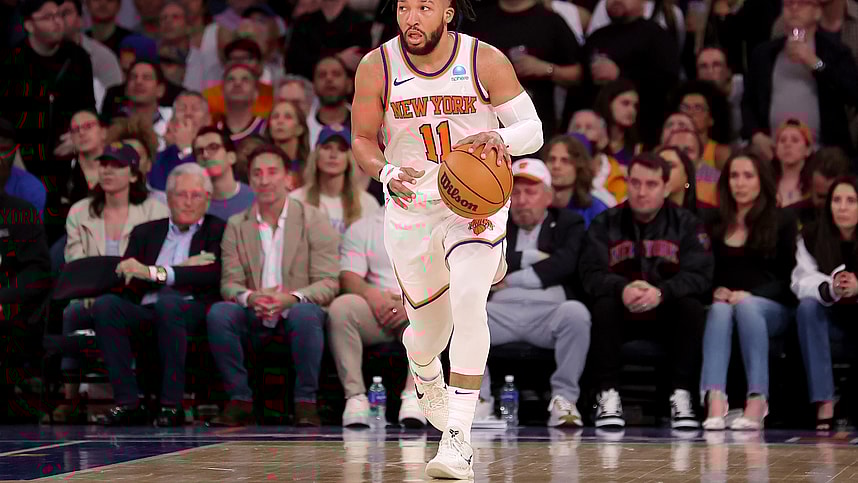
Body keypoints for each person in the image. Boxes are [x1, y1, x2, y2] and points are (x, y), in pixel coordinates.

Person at [352, 0, 543, 476]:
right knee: (426, 336)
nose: (412, 18)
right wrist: (385, 170)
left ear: (448, 13)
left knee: (470, 300)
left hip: (474, 204)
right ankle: (423, 368)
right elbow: (361, 139)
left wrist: (502, 139)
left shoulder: (484, 59)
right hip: (412, 207)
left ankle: (458, 439)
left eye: (424, 7)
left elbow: (533, 131)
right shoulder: (377, 65)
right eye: (404, 7)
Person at [207, 145, 339, 428]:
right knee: (220, 313)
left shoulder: (313, 218)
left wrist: (290, 298)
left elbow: (329, 282)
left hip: (296, 311)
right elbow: (229, 284)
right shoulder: (237, 224)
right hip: (253, 312)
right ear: (250, 180)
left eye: (272, 172)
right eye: (257, 173)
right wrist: (251, 297)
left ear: (288, 178)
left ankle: (306, 402)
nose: (264, 180)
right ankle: (239, 400)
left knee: (306, 314)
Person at [579, 153, 714, 429]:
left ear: (666, 187)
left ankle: (681, 395)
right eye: (635, 183)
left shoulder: (687, 224)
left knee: (691, 307)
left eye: (651, 185)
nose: (641, 192)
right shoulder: (605, 222)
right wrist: (622, 288)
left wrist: (662, 293)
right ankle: (607, 394)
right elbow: (589, 273)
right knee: (603, 305)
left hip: (666, 312)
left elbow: (700, 274)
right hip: (621, 312)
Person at [91, 163, 225, 426]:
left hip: (191, 310)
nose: (188, 202)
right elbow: (128, 276)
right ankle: (128, 403)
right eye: (181, 194)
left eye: (196, 195)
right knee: (107, 305)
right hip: (147, 308)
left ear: (208, 199)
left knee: (169, 304)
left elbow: (211, 274)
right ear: (168, 197)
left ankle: (171, 405)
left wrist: (153, 272)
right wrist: (181, 269)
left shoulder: (217, 230)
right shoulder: (146, 232)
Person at [58, 143, 169, 422]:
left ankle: (139, 398)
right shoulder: (80, 211)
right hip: (90, 295)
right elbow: (75, 262)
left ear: (133, 174)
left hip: (137, 296)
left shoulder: (155, 210)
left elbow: (156, 261)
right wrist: (92, 290)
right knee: (71, 313)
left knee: (115, 309)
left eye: (116, 166)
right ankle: (70, 397)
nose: (107, 171)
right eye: (104, 164)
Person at [480, 159, 591, 427]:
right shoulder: (495, 224)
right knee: (461, 314)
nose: (521, 201)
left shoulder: (568, 223)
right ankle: (478, 400)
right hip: (501, 314)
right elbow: (486, 261)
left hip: (547, 315)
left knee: (576, 313)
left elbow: (565, 264)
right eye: (515, 193)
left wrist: (510, 277)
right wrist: (531, 258)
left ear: (548, 196)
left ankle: (564, 400)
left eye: (530, 192)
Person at [699, 153, 797, 431]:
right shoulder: (713, 222)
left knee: (746, 307)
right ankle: (715, 400)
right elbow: (702, 272)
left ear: (761, 181)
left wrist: (751, 294)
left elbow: (790, 280)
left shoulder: (782, 220)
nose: (739, 183)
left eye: (748, 176)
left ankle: (757, 400)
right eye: (734, 176)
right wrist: (714, 291)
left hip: (771, 307)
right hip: (726, 307)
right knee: (719, 309)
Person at [327, 208, 426, 428]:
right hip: (377, 307)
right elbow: (349, 275)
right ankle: (355, 397)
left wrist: (412, 303)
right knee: (342, 308)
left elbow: (447, 276)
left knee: (433, 313)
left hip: (420, 305)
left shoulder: (439, 224)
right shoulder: (364, 227)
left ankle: (415, 395)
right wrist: (373, 296)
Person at [792, 176, 858, 430]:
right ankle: (824, 401)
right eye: (837, 200)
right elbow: (801, 281)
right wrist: (831, 287)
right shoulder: (811, 235)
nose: (842, 207)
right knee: (807, 307)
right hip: (831, 319)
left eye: (851, 201)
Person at [290, 125, 379, 234]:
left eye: (341, 149)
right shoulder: (296, 200)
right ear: (316, 155)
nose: (333, 155)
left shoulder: (367, 203)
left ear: (349, 158)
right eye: (327, 147)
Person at [543, 136, 610, 226]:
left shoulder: (597, 211)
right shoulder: (534, 206)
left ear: (579, 167)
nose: (556, 166)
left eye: (565, 161)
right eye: (552, 159)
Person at [193, 127, 255, 221]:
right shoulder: (192, 203)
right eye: (199, 152)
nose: (205, 155)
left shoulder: (254, 198)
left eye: (213, 147)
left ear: (231, 157)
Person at [568, 109, 627, 203]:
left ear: (604, 137)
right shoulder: (557, 172)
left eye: (589, 128)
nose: (581, 132)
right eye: (577, 127)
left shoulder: (620, 176)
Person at [267, 100, 310, 187]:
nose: (280, 121)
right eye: (275, 117)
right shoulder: (260, 164)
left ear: (299, 129)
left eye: (288, 117)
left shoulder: (310, 168)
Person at [774, 118, 814, 207]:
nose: (787, 144)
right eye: (782, 140)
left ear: (808, 149)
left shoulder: (814, 184)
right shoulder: (767, 183)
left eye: (795, 140)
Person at [657, 145, 701, 212]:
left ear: (686, 174)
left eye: (670, 166)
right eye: (658, 167)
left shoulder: (709, 214)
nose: (663, 171)